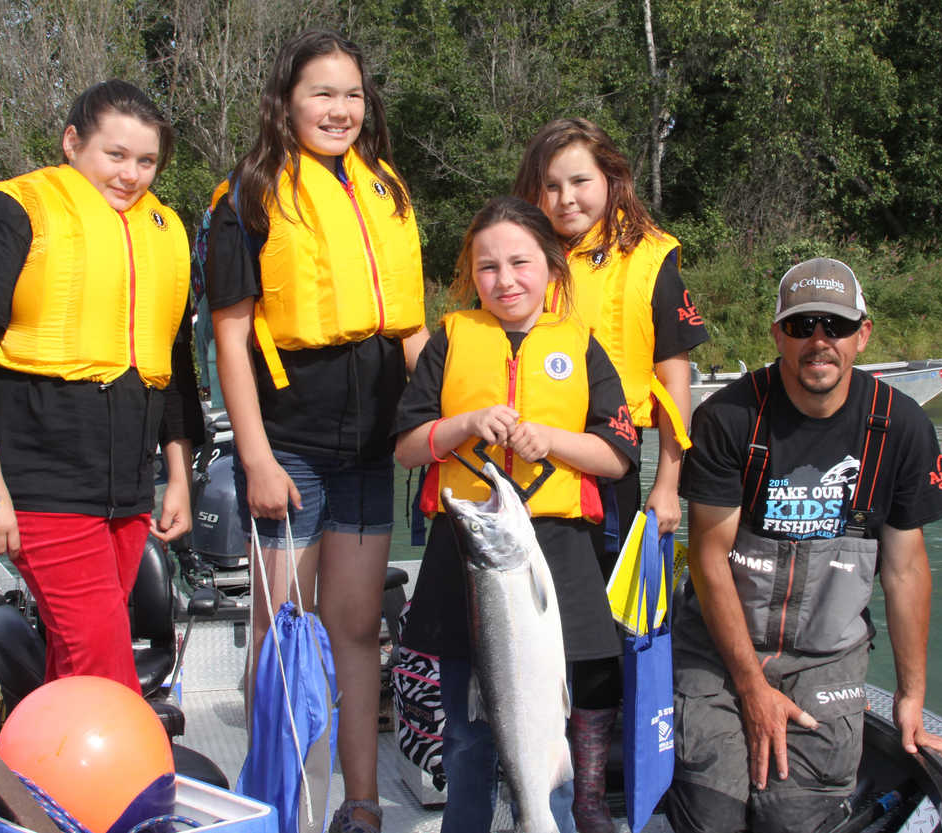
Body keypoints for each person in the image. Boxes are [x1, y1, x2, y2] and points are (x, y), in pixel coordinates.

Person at [205, 30, 428, 833]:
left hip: (372, 444)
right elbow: (231, 336)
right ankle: (282, 803)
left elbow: (410, 331)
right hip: (290, 442)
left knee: (358, 626)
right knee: (283, 631)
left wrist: (441, 420)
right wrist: (256, 457)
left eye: (353, 94)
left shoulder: (388, 190)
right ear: (286, 101)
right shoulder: (248, 194)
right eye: (322, 94)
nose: (340, 109)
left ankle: (360, 803)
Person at [667, 258, 942, 833]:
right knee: (711, 817)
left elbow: (906, 572)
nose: (819, 342)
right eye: (801, 326)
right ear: (778, 335)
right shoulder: (726, 419)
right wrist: (750, 687)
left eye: (835, 326)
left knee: (791, 820)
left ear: (862, 334)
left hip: (827, 658)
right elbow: (709, 559)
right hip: (718, 654)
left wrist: (911, 696)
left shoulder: (903, 428)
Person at [0, 80, 202, 694]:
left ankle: (45, 782)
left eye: (146, 161)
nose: (131, 175)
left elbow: (174, 372)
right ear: (72, 142)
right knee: (105, 663)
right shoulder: (15, 213)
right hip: (43, 484)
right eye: (115, 155)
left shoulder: (164, 232)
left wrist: (179, 479)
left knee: (77, 657)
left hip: (125, 494)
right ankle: (126, 788)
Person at [394, 196, 640, 833]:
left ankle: (548, 815)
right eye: (488, 267)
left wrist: (549, 438)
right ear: (471, 276)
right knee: (467, 737)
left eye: (520, 263)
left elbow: (617, 454)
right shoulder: (450, 339)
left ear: (553, 268)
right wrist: (465, 424)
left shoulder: (582, 347)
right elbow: (406, 447)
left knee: (553, 722)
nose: (505, 281)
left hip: (556, 554)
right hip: (466, 554)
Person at [513, 116, 708, 831]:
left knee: (598, 633)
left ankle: (593, 791)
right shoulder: (519, 255)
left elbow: (672, 378)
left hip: (612, 472)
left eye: (580, 182)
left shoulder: (651, 259)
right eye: (551, 186)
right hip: (527, 473)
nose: (566, 199)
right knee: (531, 628)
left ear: (611, 180)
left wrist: (668, 484)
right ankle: (537, 776)